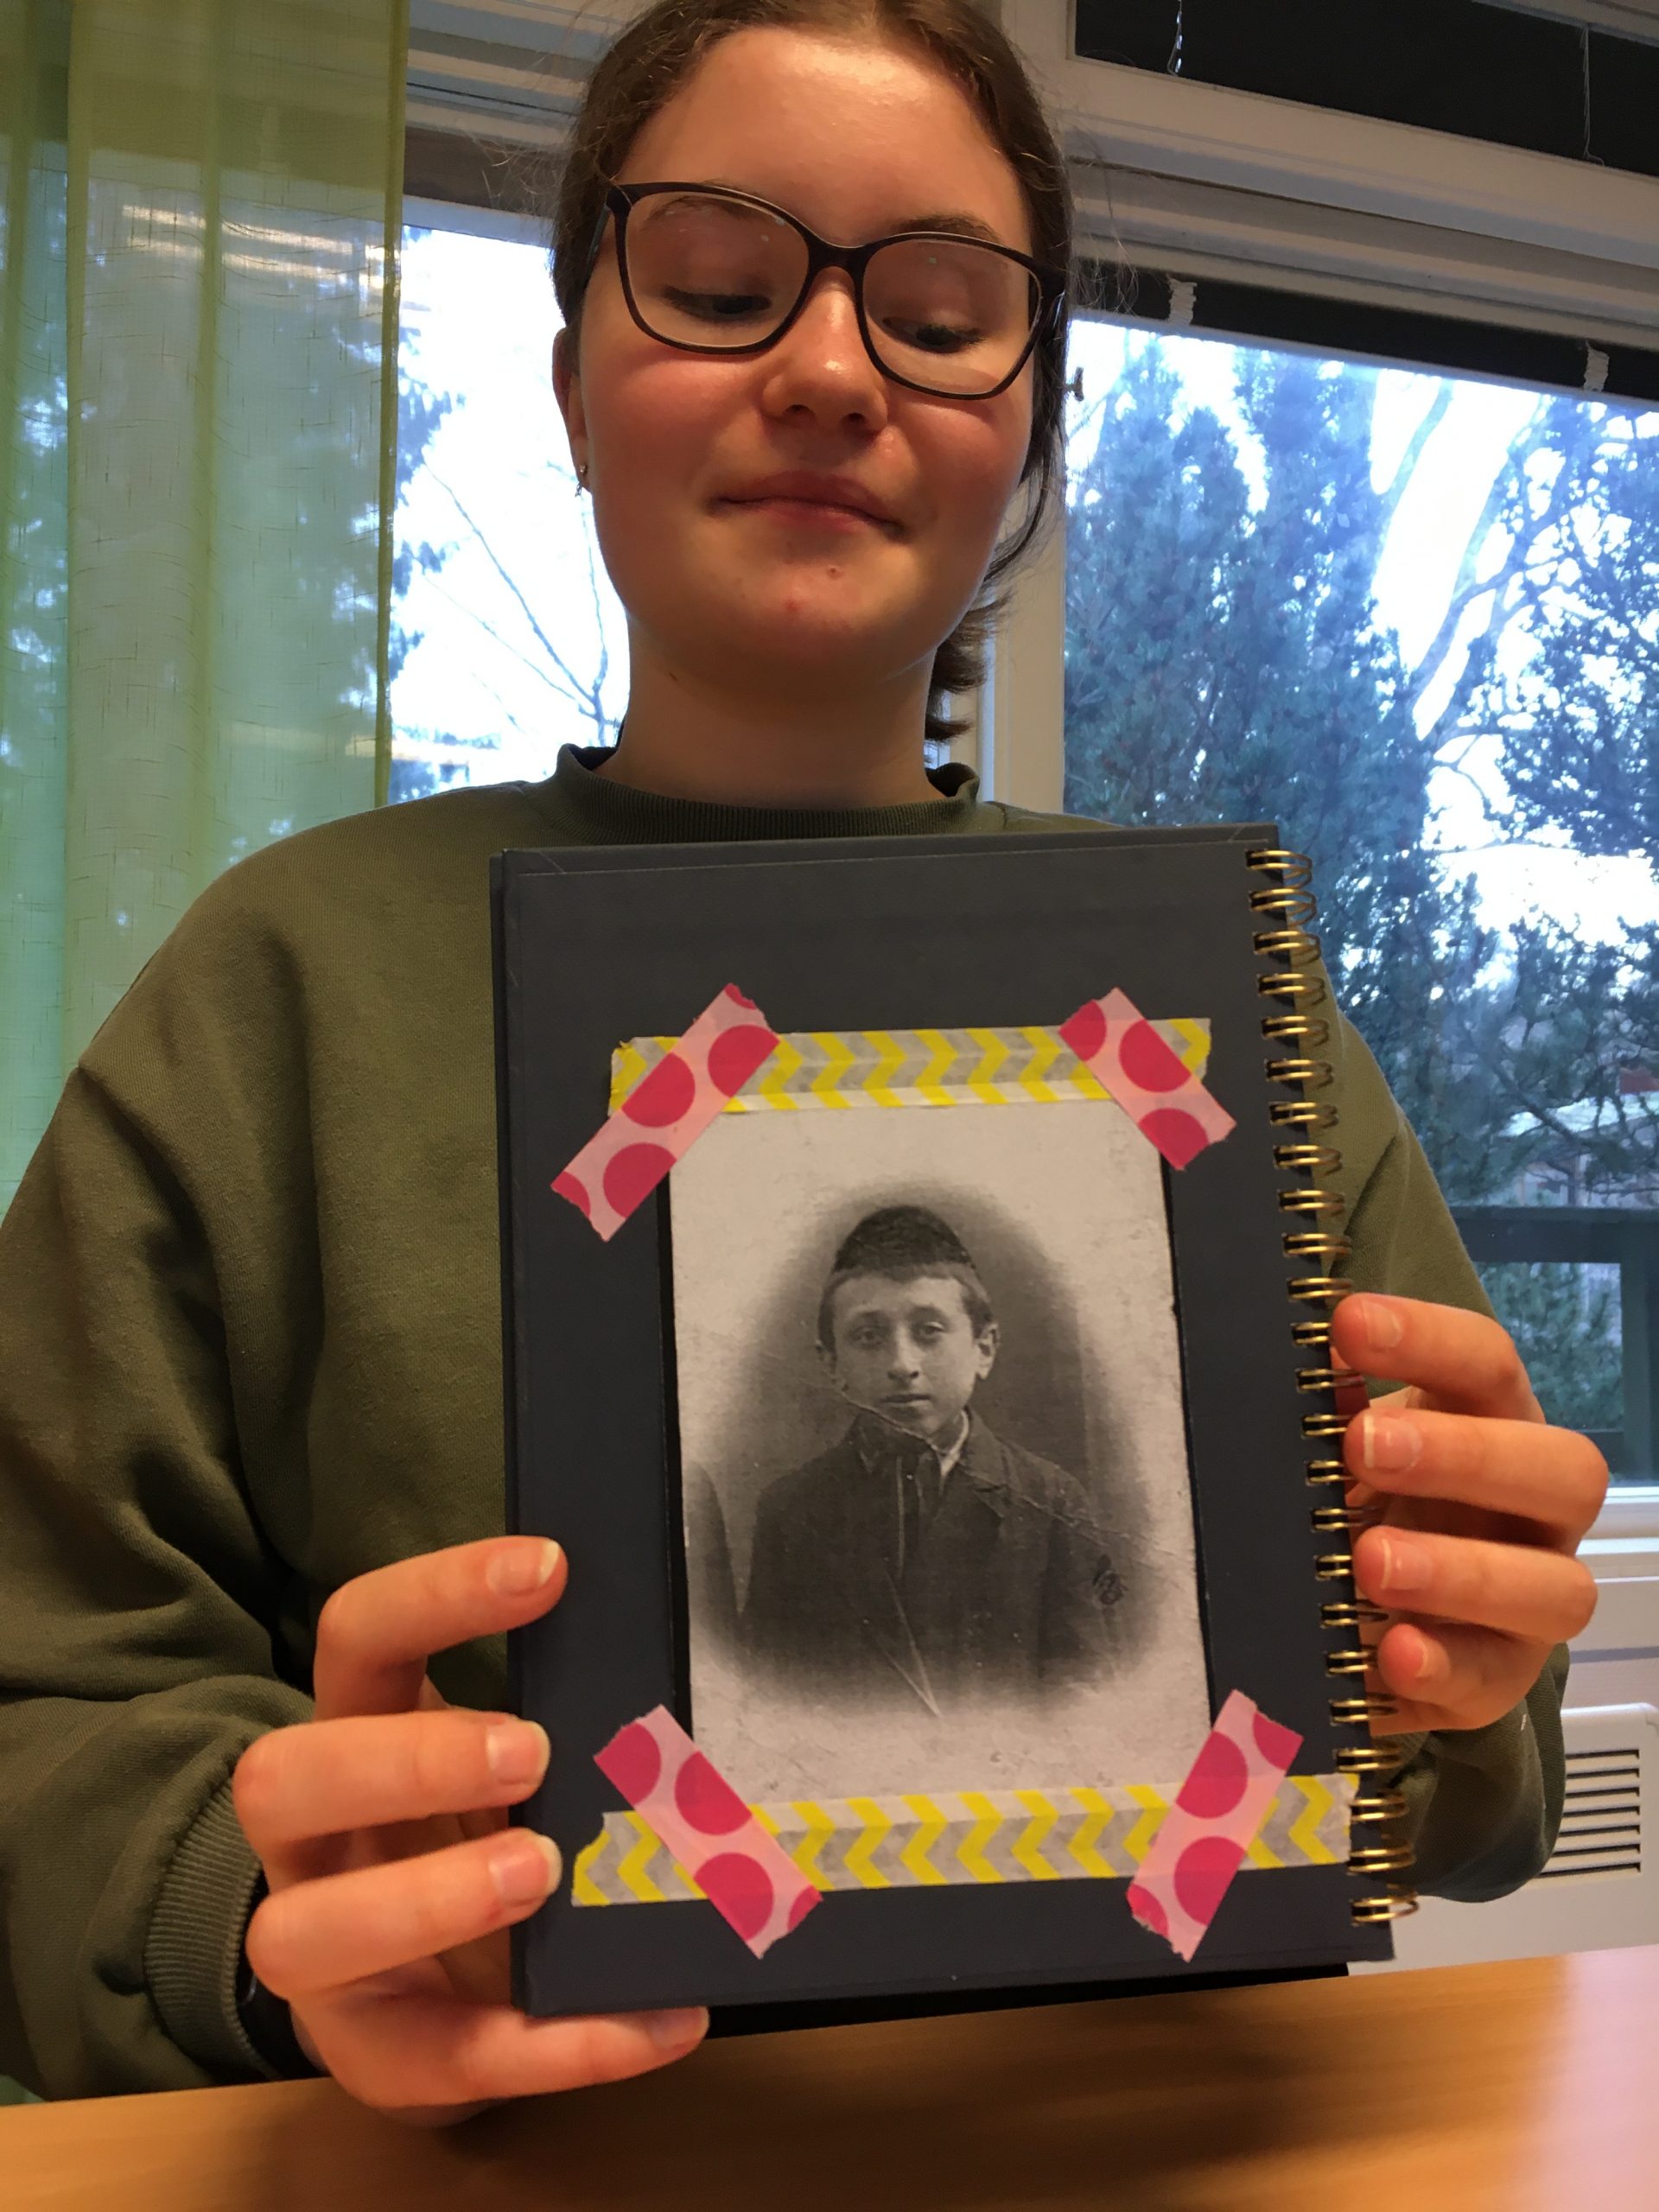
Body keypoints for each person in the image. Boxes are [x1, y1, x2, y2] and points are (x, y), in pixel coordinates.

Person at [0, 0, 1605, 2129]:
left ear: (1028, 428)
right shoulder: (284, 979)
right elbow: (48, 1687)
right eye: (717, 283)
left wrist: (1462, 1657)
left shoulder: (1231, 1003)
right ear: (572, 377)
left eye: (938, 318)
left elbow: (1469, 1768)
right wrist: (247, 1902)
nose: (833, 371)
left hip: (1151, 2148)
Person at [742, 1205, 1122, 1709]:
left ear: (984, 1349)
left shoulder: (1051, 1500)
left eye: (928, 1331)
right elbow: (768, 1695)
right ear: (832, 1365)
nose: (902, 1365)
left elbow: (1087, 1697)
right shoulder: (790, 1510)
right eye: (868, 1336)